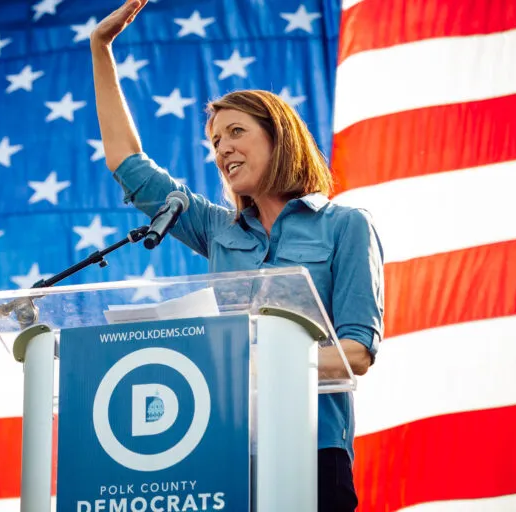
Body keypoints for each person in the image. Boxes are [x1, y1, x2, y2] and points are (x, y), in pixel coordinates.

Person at [90, 1, 385, 510]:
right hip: (223, 450)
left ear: (279, 136)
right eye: (214, 140)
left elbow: (358, 350)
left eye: (236, 132)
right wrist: (99, 50)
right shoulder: (214, 228)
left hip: (313, 450)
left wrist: (253, 371)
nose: (221, 148)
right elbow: (127, 163)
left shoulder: (346, 225)